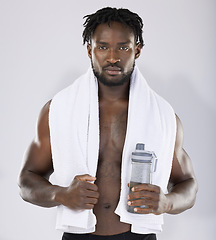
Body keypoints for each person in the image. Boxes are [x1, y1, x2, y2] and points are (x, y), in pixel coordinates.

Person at [18, 7, 198, 240]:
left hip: (138, 236)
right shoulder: (58, 110)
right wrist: (61, 195)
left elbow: (189, 185)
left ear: (137, 50)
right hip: (79, 235)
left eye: (123, 47)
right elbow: (26, 180)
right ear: (89, 50)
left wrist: (167, 202)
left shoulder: (162, 116)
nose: (113, 57)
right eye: (103, 47)